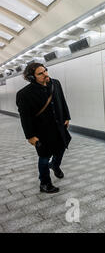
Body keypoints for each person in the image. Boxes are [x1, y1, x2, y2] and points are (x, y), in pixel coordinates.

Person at [16, 63, 71, 193]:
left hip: (59, 126)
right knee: (44, 157)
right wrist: (30, 136)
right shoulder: (24, 94)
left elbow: (62, 101)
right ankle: (45, 183)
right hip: (42, 131)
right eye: (40, 73)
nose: (45, 74)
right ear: (31, 77)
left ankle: (55, 165)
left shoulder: (55, 83)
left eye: (45, 71)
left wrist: (67, 117)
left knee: (62, 146)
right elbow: (25, 117)